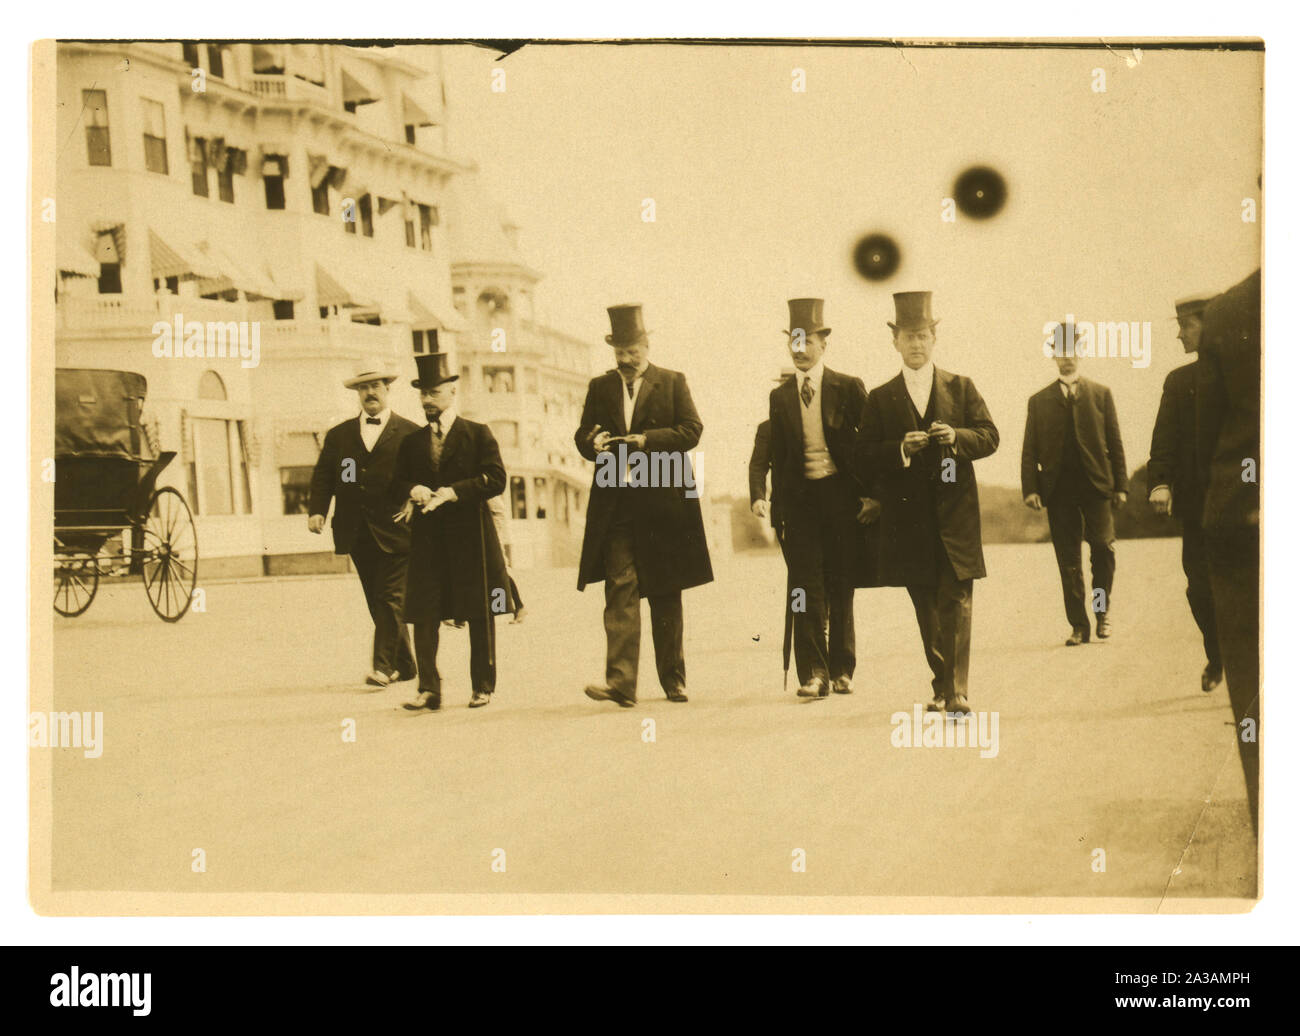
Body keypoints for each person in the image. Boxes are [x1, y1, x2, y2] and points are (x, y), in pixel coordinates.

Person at [856, 291, 998, 715]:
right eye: (907, 336)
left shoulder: (961, 386)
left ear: (934, 338)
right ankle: (941, 685)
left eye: (922, 335)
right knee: (926, 606)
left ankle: (956, 691)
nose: (916, 343)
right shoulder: (880, 398)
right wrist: (899, 447)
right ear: (894, 342)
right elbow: (861, 455)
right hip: (908, 521)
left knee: (956, 600)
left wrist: (958, 436)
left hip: (956, 517)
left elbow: (990, 435)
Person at [575, 303, 713, 707]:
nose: (626, 358)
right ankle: (621, 683)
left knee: (667, 592)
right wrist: (592, 443)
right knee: (620, 590)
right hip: (616, 504)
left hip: (664, 503)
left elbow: (692, 430)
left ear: (646, 344)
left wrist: (647, 440)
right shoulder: (599, 387)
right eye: (619, 350)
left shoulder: (672, 382)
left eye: (633, 349)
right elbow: (583, 434)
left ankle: (674, 680)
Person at [392, 352, 515, 712]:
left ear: (451, 393)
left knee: (480, 611)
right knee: (424, 613)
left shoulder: (477, 434)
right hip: (429, 541)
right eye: (423, 394)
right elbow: (396, 481)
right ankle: (428, 689)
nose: (427, 401)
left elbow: (496, 479)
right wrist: (411, 488)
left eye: (433, 393)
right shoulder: (412, 443)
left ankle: (482, 686)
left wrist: (454, 491)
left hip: (471, 538)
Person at [766, 301, 874, 699]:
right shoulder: (780, 398)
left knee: (841, 583)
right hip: (799, 505)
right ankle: (814, 673)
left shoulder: (847, 387)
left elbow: (869, 444)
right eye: (793, 340)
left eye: (806, 340)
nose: (799, 348)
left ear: (822, 344)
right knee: (803, 586)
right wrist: (777, 511)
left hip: (840, 499)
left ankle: (842, 668)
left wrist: (871, 495)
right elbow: (778, 457)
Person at [1196, 268, 1261, 832]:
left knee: (1256, 683)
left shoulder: (1229, 312)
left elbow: (1209, 437)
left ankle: (1272, 818)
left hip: (1247, 518)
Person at [308, 368, 420, 687]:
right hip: (356, 530)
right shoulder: (339, 435)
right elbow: (325, 476)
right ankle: (407, 665)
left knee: (388, 597)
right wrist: (317, 510)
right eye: (363, 388)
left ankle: (383, 667)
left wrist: (415, 497)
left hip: (397, 528)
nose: (370, 393)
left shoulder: (410, 433)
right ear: (357, 394)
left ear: (387, 390)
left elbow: (423, 474)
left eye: (375, 386)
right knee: (377, 599)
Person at [1021, 324, 1128, 645]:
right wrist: (1031, 488)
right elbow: (1029, 449)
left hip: (1097, 487)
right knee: (1067, 559)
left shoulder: (1101, 394)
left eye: (1072, 353)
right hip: (1059, 491)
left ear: (1080, 353)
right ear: (1053, 356)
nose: (1066, 360)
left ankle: (1101, 612)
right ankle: (1079, 625)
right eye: (1060, 353)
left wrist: (1120, 485)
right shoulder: (1038, 401)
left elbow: (1115, 442)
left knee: (1103, 550)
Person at [1147, 292, 1221, 691]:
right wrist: (1160, 482)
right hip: (1196, 506)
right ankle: (1217, 654)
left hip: (1247, 503)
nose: (1178, 335)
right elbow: (1164, 441)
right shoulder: (1178, 381)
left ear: (1209, 324)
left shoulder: (1252, 373)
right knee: (1199, 587)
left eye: (1185, 325)